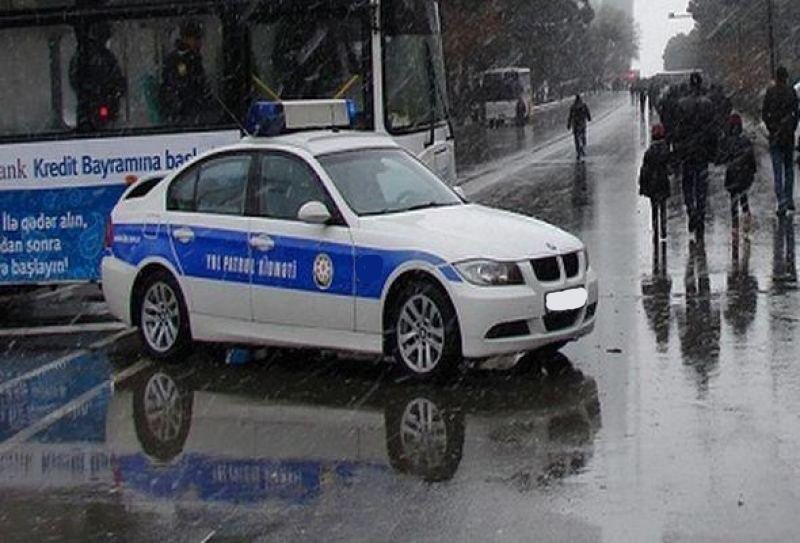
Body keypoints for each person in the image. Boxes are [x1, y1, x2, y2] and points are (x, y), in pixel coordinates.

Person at [674, 72, 717, 240]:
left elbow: (678, 129)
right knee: (701, 184)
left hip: (687, 150)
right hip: (702, 150)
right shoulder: (708, 104)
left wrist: (678, 148)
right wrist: (713, 151)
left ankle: (691, 209)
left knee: (687, 182)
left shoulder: (682, 104)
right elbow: (713, 130)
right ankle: (700, 211)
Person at [69, 22, 126, 129]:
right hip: (101, 107)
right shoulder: (103, 56)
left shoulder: (82, 55)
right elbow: (115, 79)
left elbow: (75, 80)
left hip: (92, 108)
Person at [761, 66, 799, 216]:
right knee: (789, 169)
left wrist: (771, 128)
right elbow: (796, 113)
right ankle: (789, 199)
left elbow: (764, 113)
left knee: (777, 170)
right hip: (788, 136)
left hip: (775, 137)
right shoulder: (791, 92)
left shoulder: (770, 93)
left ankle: (781, 201)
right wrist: (791, 127)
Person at [160, 20, 212, 125]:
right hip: (183, 111)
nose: (199, 43)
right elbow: (183, 85)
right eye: (196, 39)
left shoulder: (190, 57)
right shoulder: (182, 59)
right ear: (186, 39)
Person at [719, 113, 756, 236]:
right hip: (744, 174)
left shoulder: (727, 142)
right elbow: (751, 159)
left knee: (733, 198)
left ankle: (734, 221)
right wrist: (752, 171)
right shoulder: (746, 141)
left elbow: (722, 157)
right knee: (743, 195)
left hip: (732, 174)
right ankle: (746, 214)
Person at [639, 123, 671, 243]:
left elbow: (645, 169)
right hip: (663, 181)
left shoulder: (649, 152)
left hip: (653, 183)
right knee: (663, 206)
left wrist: (643, 185)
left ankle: (655, 227)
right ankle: (663, 228)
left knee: (654, 207)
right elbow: (670, 165)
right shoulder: (666, 149)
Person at [567, 94, 592, 161]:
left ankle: (578, 150)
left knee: (576, 138)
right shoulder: (584, 105)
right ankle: (583, 147)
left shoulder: (573, 107)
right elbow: (587, 113)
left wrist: (569, 124)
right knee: (583, 135)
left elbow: (570, 116)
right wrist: (589, 118)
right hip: (582, 123)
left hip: (575, 124)